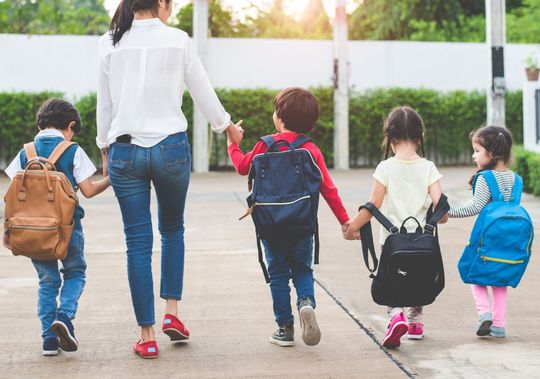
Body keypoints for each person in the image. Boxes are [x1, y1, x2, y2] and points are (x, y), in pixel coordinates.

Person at [96, 0, 243, 359]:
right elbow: (202, 91)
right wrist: (227, 127)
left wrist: (104, 147)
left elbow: (106, 104)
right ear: (161, 3)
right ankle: (171, 314)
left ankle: (146, 336)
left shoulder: (110, 41)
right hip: (171, 149)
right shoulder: (179, 40)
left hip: (125, 151)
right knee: (173, 229)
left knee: (137, 242)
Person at [228, 87, 350, 347]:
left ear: (279, 118)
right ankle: (306, 303)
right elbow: (328, 189)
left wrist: (232, 144)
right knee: (303, 270)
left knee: (279, 275)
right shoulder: (311, 150)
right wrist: (344, 221)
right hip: (302, 224)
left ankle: (285, 329)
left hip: (270, 225)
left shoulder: (264, 145)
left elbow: (242, 167)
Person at [3, 98, 110, 356]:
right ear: (70, 125)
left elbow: (11, 194)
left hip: (31, 232)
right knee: (75, 273)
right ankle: (65, 315)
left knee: (47, 282)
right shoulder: (72, 150)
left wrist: (7, 230)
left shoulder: (24, 152)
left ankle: (49, 341)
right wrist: (110, 178)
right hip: (66, 229)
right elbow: (89, 190)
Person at [345, 106, 447, 349]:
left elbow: (373, 206)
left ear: (390, 138)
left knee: (393, 279)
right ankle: (415, 324)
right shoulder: (429, 167)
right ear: (420, 136)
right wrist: (435, 219)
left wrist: (352, 228)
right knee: (418, 276)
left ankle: (396, 316)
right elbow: (440, 209)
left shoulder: (386, 168)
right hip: (423, 240)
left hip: (392, 241)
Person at [448, 126, 516, 339]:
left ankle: (484, 313)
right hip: (509, 238)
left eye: (477, 150)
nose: (473, 155)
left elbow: (474, 207)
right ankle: (499, 325)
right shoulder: (516, 179)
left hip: (486, 237)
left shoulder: (486, 178)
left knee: (473, 273)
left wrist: (448, 212)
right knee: (500, 280)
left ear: (493, 153)